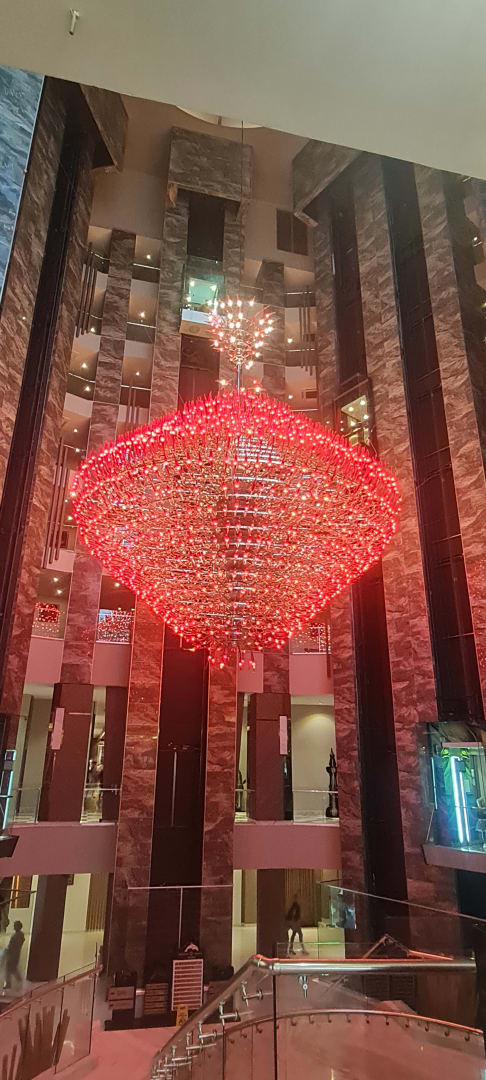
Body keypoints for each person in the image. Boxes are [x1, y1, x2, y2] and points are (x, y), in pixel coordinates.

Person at [4, 920, 24, 990]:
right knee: (13, 968)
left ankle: (9, 983)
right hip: (16, 954)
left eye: (15, 925)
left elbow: (11, 946)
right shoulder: (21, 935)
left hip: (12, 955)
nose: (14, 927)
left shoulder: (16, 936)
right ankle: (19, 980)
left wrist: (7, 950)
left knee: (8, 969)